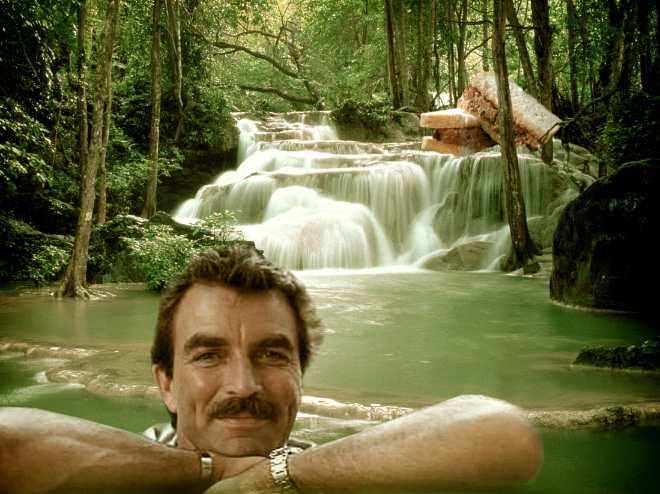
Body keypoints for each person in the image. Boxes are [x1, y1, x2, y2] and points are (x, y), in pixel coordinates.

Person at [0, 245, 543, 493]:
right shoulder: (105, 471)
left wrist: (276, 477)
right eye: (209, 354)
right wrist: (208, 472)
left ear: (302, 376)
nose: (244, 385)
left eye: (272, 353)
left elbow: (506, 436)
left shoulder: (346, 471)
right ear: (165, 381)